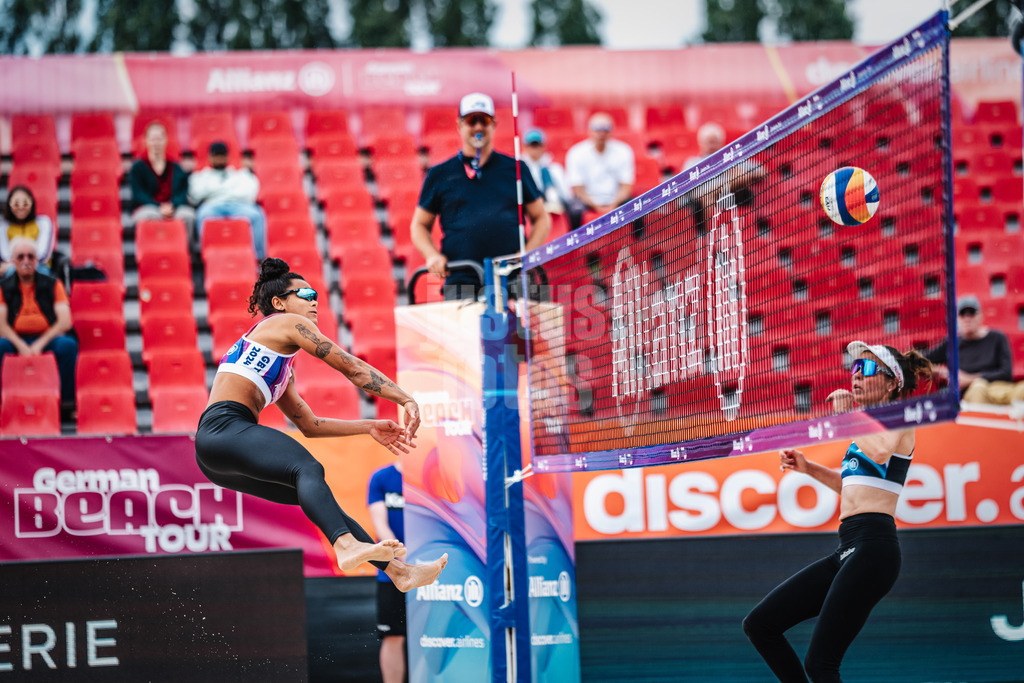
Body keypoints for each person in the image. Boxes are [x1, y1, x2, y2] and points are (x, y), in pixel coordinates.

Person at [194, 257, 447, 589]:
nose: (314, 299)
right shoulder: (282, 323)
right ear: (279, 303)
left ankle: (400, 572)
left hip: (213, 456)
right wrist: (404, 397)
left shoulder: (281, 364)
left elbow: (310, 425)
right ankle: (344, 546)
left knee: (317, 497)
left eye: (315, 294)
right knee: (307, 469)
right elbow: (352, 368)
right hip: (223, 429)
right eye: (305, 293)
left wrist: (368, 426)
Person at [743, 341, 933, 682]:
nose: (857, 376)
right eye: (855, 370)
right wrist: (808, 468)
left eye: (869, 369)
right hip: (849, 548)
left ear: (892, 384)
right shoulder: (865, 428)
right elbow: (853, 487)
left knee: (821, 663)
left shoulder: (899, 419)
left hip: (875, 549)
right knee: (760, 625)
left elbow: (878, 452)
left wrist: (849, 414)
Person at [410, 92, 550, 300]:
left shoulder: (516, 169)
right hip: (461, 278)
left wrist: (528, 253)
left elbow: (541, 218)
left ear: (493, 124)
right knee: (462, 333)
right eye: (471, 120)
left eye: (483, 120)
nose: (477, 127)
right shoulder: (440, 174)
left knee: (518, 334)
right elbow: (419, 225)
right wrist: (432, 255)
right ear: (459, 125)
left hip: (513, 278)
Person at [0, 236, 78, 416]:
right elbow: (1, 324)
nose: (26, 261)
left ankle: (67, 406)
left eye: (30, 257)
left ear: (37, 260)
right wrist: (21, 345)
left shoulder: (53, 283)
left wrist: (38, 345)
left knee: (67, 346)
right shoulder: (3, 287)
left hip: (46, 338)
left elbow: (65, 321)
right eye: (20, 257)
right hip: (15, 338)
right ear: (13, 261)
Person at [924, 295, 1014, 404]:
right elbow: (921, 361)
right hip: (973, 393)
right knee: (978, 388)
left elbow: (1006, 373)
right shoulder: (952, 344)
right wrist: (945, 372)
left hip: (1000, 389)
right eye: (962, 314)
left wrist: (969, 379)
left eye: (971, 313)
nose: (967, 318)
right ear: (957, 318)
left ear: (981, 316)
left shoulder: (998, 337)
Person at [188, 141, 267, 260]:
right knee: (203, 215)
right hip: (212, 205)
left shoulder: (240, 174)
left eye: (222, 155)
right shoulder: (201, 176)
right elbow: (195, 195)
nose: (219, 159)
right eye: (216, 156)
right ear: (210, 157)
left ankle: (258, 259)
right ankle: (204, 257)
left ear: (227, 156)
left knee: (256, 215)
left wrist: (213, 191)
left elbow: (249, 194)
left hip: (238, 205)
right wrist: (228, 190)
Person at [367, 460, 406, 683]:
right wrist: (403, 557)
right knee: (393, 636)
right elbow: (380, 526)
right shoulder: (382, 477)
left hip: (432, 572)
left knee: (435, 635)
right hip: (393, 572)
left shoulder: (435, 475)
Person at [564, 112, 635, 229]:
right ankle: (574, 244)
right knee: (574, 210)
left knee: (636, 206)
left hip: (615, 199)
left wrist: (614, 204)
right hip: (587, 201)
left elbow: (626, 187)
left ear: (611, 131)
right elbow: (578, 190)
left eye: (606, 129)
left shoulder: (624, 151)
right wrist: (597, 206)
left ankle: (638, 243)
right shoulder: (576, 153)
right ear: (589, 130)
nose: (601, 133)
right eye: (597, 129)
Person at [129, 121, 196, 236]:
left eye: (159, 139)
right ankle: (151, 251)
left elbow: (182, 191)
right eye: (152, 139)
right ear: (146, 140)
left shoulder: (175, 167)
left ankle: (186, 252)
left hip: (173, 207)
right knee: (150, 216)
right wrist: (158, 207)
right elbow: (139, 194)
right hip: (148, 207)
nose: (156, 143)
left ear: (165, 140)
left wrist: (172, 206)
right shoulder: (137, 168)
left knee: (188, 216)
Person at [1, 186, 56, 276]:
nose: (21, 207)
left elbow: (43, 255)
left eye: (25, 203)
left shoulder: (44, 223)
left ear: (32, 203)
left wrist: (25, 263)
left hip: (39, 267)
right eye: (16, 204)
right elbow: (5, 256)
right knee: (10, 273)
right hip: (12, 269)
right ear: (9, 205)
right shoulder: (3, 227)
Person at [521, 128, 572, 216]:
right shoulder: (519, 168)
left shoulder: (554, 168)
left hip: (556, 207)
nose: (535, 149)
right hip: (530, 206)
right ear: (525, 147)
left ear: (543, 146)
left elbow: (567, 195)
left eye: (538, 145)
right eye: (532, 145)